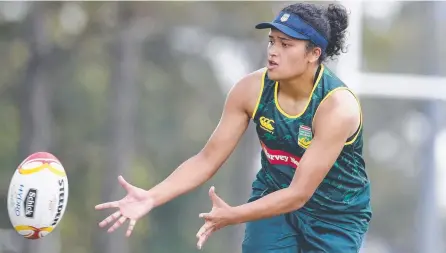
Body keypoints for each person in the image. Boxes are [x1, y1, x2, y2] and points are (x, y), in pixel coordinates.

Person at [95, 2, 372, 253]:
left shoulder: (336, 108)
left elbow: (299, 194)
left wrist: (234, 214)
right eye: (272, 41)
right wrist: (152, 196)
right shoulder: (250, 90)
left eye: (286, 45)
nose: (273, 51)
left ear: (314, 54)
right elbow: (207, 159)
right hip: (274, 197)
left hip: (335, 215)